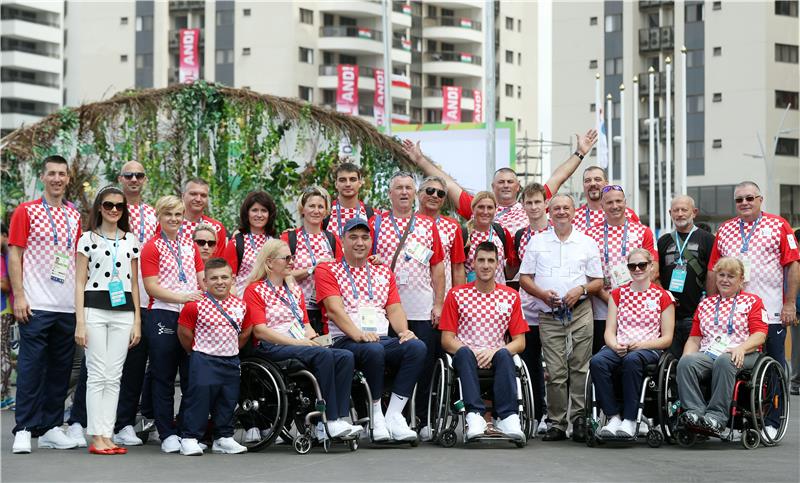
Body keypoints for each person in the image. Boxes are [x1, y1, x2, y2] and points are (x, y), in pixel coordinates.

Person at [316, 218, 426, 442]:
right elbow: (335, 311)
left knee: (416, 347)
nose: (359, 242)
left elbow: (394, 308)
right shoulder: (327, 269)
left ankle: (393, 415)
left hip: (380, 337)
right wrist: (358, 334)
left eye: (365, 238)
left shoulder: (382, 271)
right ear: (343, 241)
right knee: (373, 350)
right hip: (345, 339)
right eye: (353, 237)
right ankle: (375, 416)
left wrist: (404, 331)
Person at [244, 240, 360, 441]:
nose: (291, 262)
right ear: (270, 263)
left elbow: (305, 325)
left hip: (297, 343)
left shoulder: (293, 289)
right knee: (322, 355)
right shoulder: (255, 290)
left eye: (292, 257)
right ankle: (330, 420)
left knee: (344, 356)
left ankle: (340, 417)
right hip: (272, 346)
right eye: (286, 258)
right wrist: (300, 343)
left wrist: (316, 339)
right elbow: (260, 331)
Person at [9, 155, 83, 454]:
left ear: (68, 179)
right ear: (43, 177)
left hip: (66, 306)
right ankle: (24, 428)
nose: (56, 179)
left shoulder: (74, 215)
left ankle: (52, 427)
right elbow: (15, 254)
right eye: (51, 173)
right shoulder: (26, 211)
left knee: (60, 371)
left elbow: (78, 261)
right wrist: (20, 296)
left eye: (61, 174)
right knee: (30, 368)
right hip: (35, 303)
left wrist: (80, 305)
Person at [401, 129, 598, 236]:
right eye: (500, 182)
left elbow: (558, 177)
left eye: (510, 182)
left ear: (518, 187)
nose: (505, 185)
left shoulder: (532, 205)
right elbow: (449, 184)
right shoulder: (480, 208)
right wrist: (420, 160)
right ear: (492, 187)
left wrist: (580, 152)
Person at [518, 194, 603, 442]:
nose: (562, 212)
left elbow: (598, 281)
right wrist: (542, 295)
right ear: (549, 212)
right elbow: (524, 278)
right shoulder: (537, 241)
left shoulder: (587, 242)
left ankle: (578, 420)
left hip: (580, 311)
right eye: (557, 208)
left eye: (566, 208)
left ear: (574, 212)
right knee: (555, 371)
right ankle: (556, 422)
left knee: (579, 366)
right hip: (549, 313)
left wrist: (581, 290)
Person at [370, 171, 445, 435]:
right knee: (387, 365)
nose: (404, 192)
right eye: (398, 188)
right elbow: (362, 261)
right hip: (386, 309)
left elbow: (437, 267)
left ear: (415, 194)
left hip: (422, 308)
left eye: (408, 188)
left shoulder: (427, 225)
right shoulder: (376, 224)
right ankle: (389, 418)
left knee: (423, 365)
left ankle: (423, 419)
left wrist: (438, 304)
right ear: (389, 194)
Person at [74, 187, 142, 454]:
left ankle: (107, 433)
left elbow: (134, 284)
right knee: (96, 374)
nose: (114, 210)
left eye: (119, 206)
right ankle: (96, 436)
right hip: (94, 310)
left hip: (123, 311)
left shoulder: (131, 241)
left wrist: (137, 320)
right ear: (99, 207)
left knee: (114, 376)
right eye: (108, 205)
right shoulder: (86, 239)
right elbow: (79, 282)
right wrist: (80, 321)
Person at [439, 241, 529, 441]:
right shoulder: (456, 294)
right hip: (465, 353)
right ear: (473, 263)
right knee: (463, 353)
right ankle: (475, 415)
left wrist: (495, 352)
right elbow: (446, 339)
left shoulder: (511, 296)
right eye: (481, 260)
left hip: (497, 354)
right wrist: (471, 352)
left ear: (498, 264)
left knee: (506, 353)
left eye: (490, 260)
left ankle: (508, 417)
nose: (486, 265)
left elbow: (520, 342)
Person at [707, 181, 799, 374]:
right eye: (739, 199)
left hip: (771, 310)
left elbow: (793, 264)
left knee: (774, 363)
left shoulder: (779, 224)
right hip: (734, 312)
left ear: (760, 200)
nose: (745, 202)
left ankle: (777, 405)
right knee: (736, 364)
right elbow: (713, 270)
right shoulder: (725, 229)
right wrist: (711, 304)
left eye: (750, 198)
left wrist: (790, 304)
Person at [140, 195, 205, 453]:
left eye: (178, 215)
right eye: (169, 214)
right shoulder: (151, 247)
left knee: (190, 376)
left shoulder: (190, 246)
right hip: (163, 314)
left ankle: (186, 430)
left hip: (191, 316)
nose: (174, 219)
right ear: (159, 216)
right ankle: (166, 432)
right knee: (163, 376)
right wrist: (182, 297)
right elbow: (151, 286)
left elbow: (202, 280)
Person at [677, 257, 768, 434]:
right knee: (686, 363)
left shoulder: (752, 301)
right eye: (721, 275)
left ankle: (717, 416)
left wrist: (741, 348)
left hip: (744, 352)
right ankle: (694, 412)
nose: (725, 280)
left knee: (725, 361)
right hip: (709, 353)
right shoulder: (705, 303)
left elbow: (760, 334)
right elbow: (695, 338)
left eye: (731, 276)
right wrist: (686, 357)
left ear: (741, 279)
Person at [589, 248, 675, 437]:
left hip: (648, 348)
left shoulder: (663, 296)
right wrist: (614, 345)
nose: (637, 269)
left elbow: (667, 338)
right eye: (632, 265)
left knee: (632, 360)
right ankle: (613, 417)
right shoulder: (618, 294)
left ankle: (630, 418)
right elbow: (610, 331)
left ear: (651, 266)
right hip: (621, 344)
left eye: (642, 265)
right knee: (597, 362)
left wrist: (642, 345)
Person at [177, 258, 251, 455]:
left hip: (231, 359)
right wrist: (195, 351)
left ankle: (223, 438)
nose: (220, 281)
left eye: (224, 277)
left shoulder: (241, 305)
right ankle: (190, 437)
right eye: (214, 278)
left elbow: (246, 331)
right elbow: (184, 332)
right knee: (199, 399)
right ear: (205, 281)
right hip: (204, 358)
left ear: (233, 279)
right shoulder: (195, 305)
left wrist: (233, 349)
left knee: (228, 400)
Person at [112, 161, 157, 446]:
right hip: (113, 296)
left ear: (145, 179)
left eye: (139, 175)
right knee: (101, 364)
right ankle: (82, 421)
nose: (134, 179)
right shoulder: (111, 209)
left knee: (136, 365)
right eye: (128, 175)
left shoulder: (153, 214)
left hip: (144, 299)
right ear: (120, 178)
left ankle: (125, 423)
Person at [585, 186, 658, 355]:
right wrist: (611, 300)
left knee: (632, 359)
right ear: (602, 206)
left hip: (635, 308)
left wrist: (626, 299)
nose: (615, 206)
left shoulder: (643, 231)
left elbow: (653, 269)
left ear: (626, 203)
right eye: (609, 202)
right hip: (601, 307)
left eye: (619, 201)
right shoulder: (589, 234)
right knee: (604, 358)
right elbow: (587, 275)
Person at [513, 183, 551, 433]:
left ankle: (560, 415)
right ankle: (537, 413)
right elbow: (513, 271)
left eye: (538, 202)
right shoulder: (519, 235)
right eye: (529, 203)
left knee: (559, 367)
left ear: (545, 204)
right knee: (531, 365)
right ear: (523, 206)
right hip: (527, 311)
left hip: (553, 310)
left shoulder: (556, 231)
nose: (534, 207)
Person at [657, 196, 715, 359]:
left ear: (694, 212)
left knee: (692, 361)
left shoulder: (708, 239)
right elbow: (656, 274)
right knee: (670, 360)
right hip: (670, 315)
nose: (680, 214)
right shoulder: (663, 241)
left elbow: (714, 273)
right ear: (670, 213)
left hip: (697, 313)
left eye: (684, 210)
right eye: (676, 210)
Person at [280, 186, 341, 335]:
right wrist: (312, 270)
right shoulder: (290, 238)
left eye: (321, 207)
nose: (316, 211)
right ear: (303, 209)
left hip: (325, 308)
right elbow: (278, 274)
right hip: (296, 307)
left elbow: (342, 273)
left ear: (326, 211)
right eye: (311, 206)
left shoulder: (332, 239)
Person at [416, 176, 466, 292]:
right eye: (430, 191)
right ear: (418, 194)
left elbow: (458, 268)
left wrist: (458, 300)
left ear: (443, 199)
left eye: (440, 193)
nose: (434, 195)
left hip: (443, 298)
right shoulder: (408, 222)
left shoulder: (452, 226)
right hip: (413, 298)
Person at [224, 191, 276, 295]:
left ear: (269, 214)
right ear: (247, 213)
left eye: (264, 210)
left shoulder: (275, 243)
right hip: (243, 301)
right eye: (254, 210)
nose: (259, 215)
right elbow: (228, 280)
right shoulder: (236, 243)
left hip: (270, 302)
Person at [462, 192, 516, 285]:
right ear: (473, 209)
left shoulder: (501, 232)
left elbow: (511, 263)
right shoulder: (464, 234)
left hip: (498, 294)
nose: (485, 212)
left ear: (495, 210)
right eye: (481, 207)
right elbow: (456, 269)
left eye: (490, 208)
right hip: (472, 295)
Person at [572, 166, 640, 233]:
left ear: (606, 184)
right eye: (587, 181)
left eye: (597, 179)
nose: (592, 184)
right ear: (583, 185)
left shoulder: (628, 214)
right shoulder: (573, 217)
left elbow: (641, 238)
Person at [323, 162, 378, 237]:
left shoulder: (373, 215)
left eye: (352, 179)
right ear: (336, 184)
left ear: (360, 183)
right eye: (342, 180)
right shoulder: (325, 213)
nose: (348, 184)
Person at [180, 178, 227, 258]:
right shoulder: (170, 223)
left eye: (203, 195)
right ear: (183, 196)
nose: (198, 199)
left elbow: (219, 262)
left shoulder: (216, 227)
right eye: (193, 194)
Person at [1, 222, 15, 409]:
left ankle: (3, 394)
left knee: (2, 353)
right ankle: (5, 394)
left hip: (3, 311)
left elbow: (5, 285)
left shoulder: (4, 257)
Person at [791, 228, 800, 396]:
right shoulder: (795, 262)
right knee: (797, 349)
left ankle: (795, 381)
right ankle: (795, 381)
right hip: (798, 310)